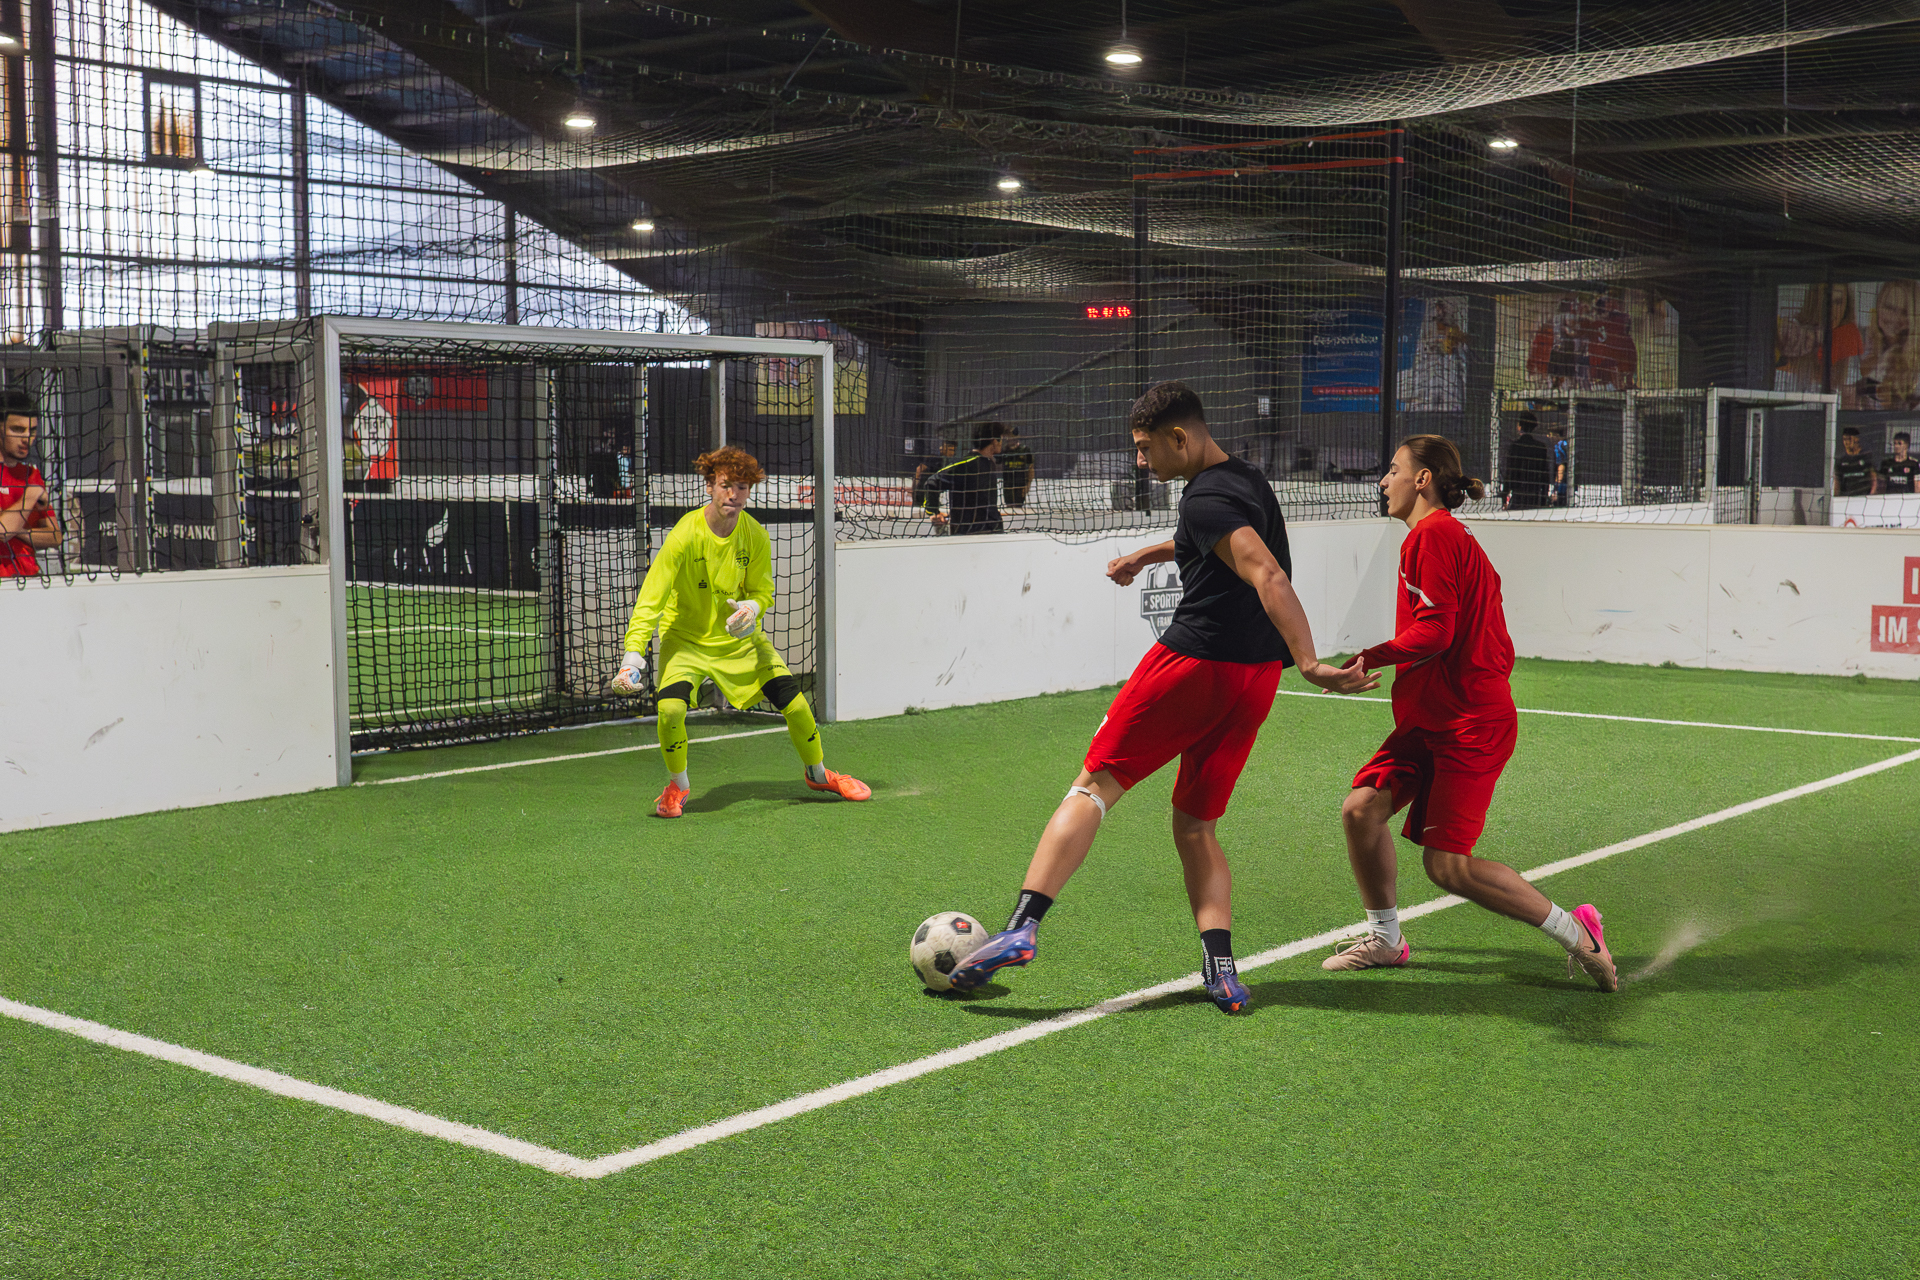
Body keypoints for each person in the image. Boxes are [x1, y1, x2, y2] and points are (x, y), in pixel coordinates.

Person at [947, 381, 1379, 1012]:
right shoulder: (1246, 481)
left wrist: (1311, 662)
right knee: (1196, 826)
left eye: (1147, 448)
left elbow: (1265, 571)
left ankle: (1021, 927)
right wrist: (1147, 556)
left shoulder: (1203, 498)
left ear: (1180, 437)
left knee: (1092, 787)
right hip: (1254, 679)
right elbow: (1214, 543)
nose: (1141, 461)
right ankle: (1221, 968)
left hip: (1192, 667)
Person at [1320, 434, 1618, 992]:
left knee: (1448, 867)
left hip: (1468, 723)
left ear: (1423, 479)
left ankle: (1578, 933)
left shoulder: (1432, 535)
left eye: (1393, 469)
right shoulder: (1444, 535)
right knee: (1361, 809)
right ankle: (1385, 940)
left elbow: (1436, 631)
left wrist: (1364, 659)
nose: (1383, 481)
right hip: (1435, 714)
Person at [609, 445, 869, 817]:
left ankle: (818, 774)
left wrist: (752, 609)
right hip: (686, 642)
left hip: (740, 644)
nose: (733, 494)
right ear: (710, 486)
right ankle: (678, 785)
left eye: (742, 487)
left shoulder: (755, 535)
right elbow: (651, 599)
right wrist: (633, 657)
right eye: (726, 485)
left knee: (797, 706)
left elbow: (763, 591)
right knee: (669, 710)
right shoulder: (684, 536)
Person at [0, 389, 59, 578]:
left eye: (32, 431)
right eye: (17, 429)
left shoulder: (31, 475)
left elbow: (55, 536)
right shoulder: (33, 487)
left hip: (29, 579)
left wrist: (17, 529)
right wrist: (32, 495)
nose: (27, 438)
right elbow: (2, 532)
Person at [1776, 282, 1862, 405]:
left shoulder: (1850, 354)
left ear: (1846, 307)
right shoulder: (1792, 334)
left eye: (1838, 302)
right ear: (1814, 303)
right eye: (1826, 302)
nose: (1832, 310)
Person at [921, 420, 1005, 535]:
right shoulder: (966, 464)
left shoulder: (989, 463)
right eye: (1001, 439)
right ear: (995, 441)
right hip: (969, 535)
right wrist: (933, 512)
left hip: (991, 533)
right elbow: (932, 483)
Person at [1857, 279, 1920, 411]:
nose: (1895, 318)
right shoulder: (1859, 341)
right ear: (1879, 306)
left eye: (1904, 312)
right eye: (1889, 307)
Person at [1500, 412, 1552, 510]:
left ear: (1520, 426)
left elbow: (1510, 472)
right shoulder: (1540, 447)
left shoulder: (1514, 447)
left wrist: (1505, 494)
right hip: (1535, 495)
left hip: (1518, 495)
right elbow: (1545, 474)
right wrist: (1544, 496)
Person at [910, 439, 956, 512]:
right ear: (942, 448)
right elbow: (919, 470)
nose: (952, 453)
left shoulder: (949, 461)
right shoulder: (934, 458)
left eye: (953, 450)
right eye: (950, 450)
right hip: (925, 491)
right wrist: (915, 489)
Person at [999, 425, 1035, 507]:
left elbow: (1031, 467)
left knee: (1018, 506)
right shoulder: (1004, 451)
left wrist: (1028, 484)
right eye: (1008, 436)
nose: (1009, 439)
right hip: (1008, 485)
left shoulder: (1024, 450)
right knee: (1009, 506)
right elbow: (996, 463)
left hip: (1020, 484)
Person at [1835, 426, 1877, 497]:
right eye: (1844, 439)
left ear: (1856, 439)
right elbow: (1837, 483)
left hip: (1863, 497)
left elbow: (1874, 480)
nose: (1846, 442)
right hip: (1846, 498)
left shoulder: (1866, 457)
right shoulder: (1841, 461)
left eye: (1849, 439)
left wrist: (1871, 496)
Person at [1879, 431, 1918, 495]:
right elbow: (1881, 484)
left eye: (1899, 443)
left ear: (1906, 445)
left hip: (1907, 498)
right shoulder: (1886, 463)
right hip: (1889, 498)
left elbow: (1917, 485)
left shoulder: (1913, 464)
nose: (1896, 446)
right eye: (1895, 443)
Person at [1546, 423, 1570, 506]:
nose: (1548, 437)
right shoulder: (1567, 444)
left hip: (1562, 486)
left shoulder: (1559, 446)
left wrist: (1556, 489)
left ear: (1556, 435)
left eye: (1550, 434)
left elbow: (1561, 467)